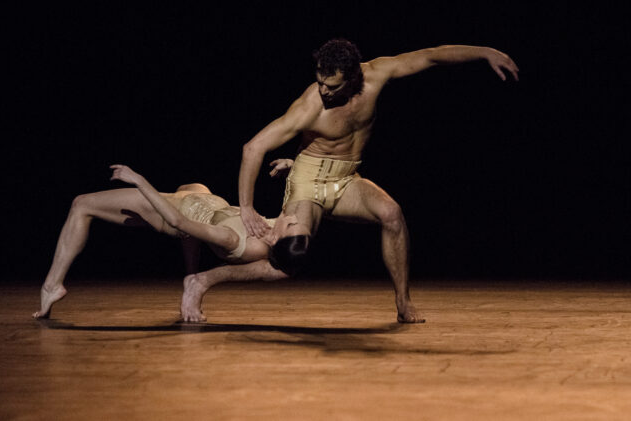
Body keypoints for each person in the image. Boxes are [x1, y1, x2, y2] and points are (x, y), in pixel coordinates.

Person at [239, 39, 519, 323]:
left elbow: (430, 56)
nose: (323, 91)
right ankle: (213, 277)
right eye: (320, 82)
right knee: (291, 258)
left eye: (332, 86)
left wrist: (485, 52)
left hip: (345, 179)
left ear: (353, 77)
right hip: (307, 183)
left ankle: (403, 303)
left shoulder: (376, 74)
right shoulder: (309, 107)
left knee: (391, 213)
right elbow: (253, 148)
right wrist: (247, 208)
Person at [33, 162, 293, 322]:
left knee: (81, 204)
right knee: (192, 184)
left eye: (292, 227)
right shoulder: (275, 225)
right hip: (201, 199)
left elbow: (180, 223)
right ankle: (189, 274)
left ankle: (52, 285)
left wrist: (138, 180)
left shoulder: (235, 239)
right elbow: (299, 198)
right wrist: (291, 168)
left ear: (278, 241)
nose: (293, 221)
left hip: (167, 212)